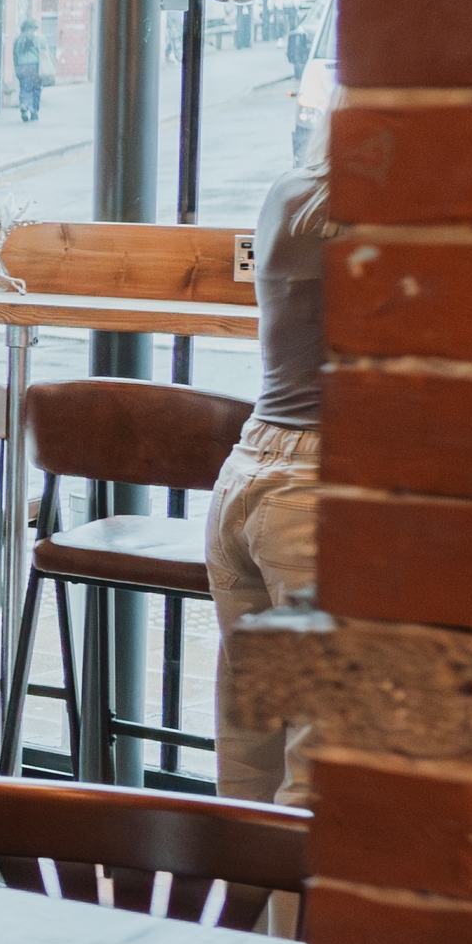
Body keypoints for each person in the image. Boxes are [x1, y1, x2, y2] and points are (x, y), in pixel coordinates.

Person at [209, 151, 328, 804]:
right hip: (317, 494)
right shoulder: (394, 215)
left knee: (249, 761)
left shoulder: (291, 187)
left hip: (248, 471)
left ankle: (243, 910)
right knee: (318, 771)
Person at [13, 19, 49, 125]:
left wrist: (17, 69)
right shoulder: (40, 38)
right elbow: (45, 53)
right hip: (35, 67)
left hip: (22, 67)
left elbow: (15, 55)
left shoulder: (18, 40)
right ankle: (34, 111)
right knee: (36, 89)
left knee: (25, 88)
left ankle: (24, 104)